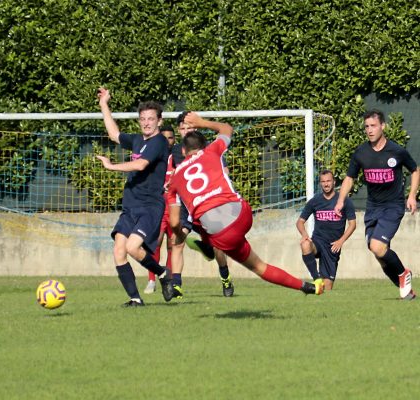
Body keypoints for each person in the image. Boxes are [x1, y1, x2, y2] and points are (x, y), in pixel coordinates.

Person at [167, 112, 323, 296]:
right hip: (242, 214)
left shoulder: (175, 180)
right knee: (207, 219)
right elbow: (227, 129)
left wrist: (179, 235)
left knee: (258, 267)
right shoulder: (213, 151)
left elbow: (175, 223)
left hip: (222, 234)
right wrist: (201, 122)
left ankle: (306, 287)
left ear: (183, 151)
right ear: (203, 147)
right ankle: (312, 287)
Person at [96, 87, 174, 306]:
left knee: (132, 248)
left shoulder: (159, 142)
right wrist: (104, 104)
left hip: (149, 206)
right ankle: (135, 299)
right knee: (119, 251)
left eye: (151, 119)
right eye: (142, 119)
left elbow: (140, 165)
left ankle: (162, 273)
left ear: (159, 121)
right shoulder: (138, 140)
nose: (146, 123)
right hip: (131, 205)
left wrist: (111, 167)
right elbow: (114, 135)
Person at [335, 109, 419, 300]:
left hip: (393, 206)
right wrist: (340, 200)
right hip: (373, 208)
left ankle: (404, 274)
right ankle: (406, 291)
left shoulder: (396, 151)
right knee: (379, 255)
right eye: (366, 127)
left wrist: (412, 195)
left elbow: (415, 170)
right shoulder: (361, 153)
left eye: (373, 126)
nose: (370, 130)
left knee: (377, 246)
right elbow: (349, 178)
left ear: (383, 126)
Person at [168, 111, 235, 299]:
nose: (185, 131)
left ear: (195, 128)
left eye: (188, 127)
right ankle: (177, 286)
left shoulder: (207, 149)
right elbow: (173, 175)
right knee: (177, 241)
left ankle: (225, 277)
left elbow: (224, 168)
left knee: (218, 247)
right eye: (182, 128)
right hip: (185, 205)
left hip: (206, 204)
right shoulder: (175, 151)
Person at [296, 169, 356, 290]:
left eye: (328, 181)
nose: (326, 184)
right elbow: (300, 222)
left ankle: (321, 288)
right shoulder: (314, 201)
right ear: (320, 183)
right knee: (305, 244)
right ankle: (316, 278)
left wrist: (341, 241)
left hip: (333, 246)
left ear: (334, 182)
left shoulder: (344, 201)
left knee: (327, 289)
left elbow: (352, 224)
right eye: (323, 181)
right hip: (318, 242)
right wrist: (304, 234)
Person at [144, 125, 176, 294]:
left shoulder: (178, 158)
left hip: (175, 207)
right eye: (164, 137)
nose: (167, 140)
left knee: (173, 245)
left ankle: (169, 280)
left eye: (170, 137)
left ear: (174, 140)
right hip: (158, 206)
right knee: (155, 243)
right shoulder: (153, 158)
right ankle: (151, 280)